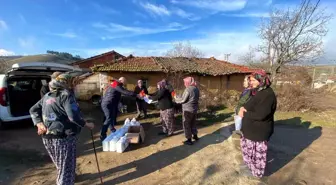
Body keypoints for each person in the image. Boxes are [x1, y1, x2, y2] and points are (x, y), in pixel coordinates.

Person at [30, 73, 95, 185]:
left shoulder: (47, 95)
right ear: (67, 83)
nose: (74, 84)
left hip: (48, 137)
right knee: (65, 169)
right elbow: (73, 117)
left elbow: (33, 110)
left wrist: (39, 123)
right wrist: (86, 124)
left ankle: (71, 177)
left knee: (62, 164)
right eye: (73, 82)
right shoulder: (66, 95)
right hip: (63, 138)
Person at [238, 70, 277, 178]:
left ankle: (256, 173)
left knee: (257, 155)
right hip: (251, 130)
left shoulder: (267, 94)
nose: (251, 82)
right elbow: (251, 105)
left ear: (262, 80)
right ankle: (250, 167)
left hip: (258, 132)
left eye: (254, 80)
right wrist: (243, 107)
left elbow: (261, 115)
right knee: (249, 152)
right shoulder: (259, 91)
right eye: (251, 80)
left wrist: (244, 113)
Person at [175, 77, 200, 145]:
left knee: (186, 124)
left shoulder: (188, 89)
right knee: (193, 123)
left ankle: (189, 140)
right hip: (194, 109)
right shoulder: (196, 88)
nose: (184, 83)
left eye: (185, 82)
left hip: (187, 110)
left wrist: (176, 100)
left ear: (188, 82)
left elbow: (183, 100)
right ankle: (195, 136)